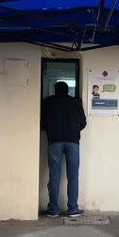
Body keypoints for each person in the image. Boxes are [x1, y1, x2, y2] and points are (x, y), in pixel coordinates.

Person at [41, 81, 87, 218]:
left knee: (54, 175)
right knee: (73, 176)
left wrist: (51, 129)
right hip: (73, 142)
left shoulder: (48, 102)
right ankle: (72, 209)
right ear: (67, 91)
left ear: (55, 90)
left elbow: (42, 122)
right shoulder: (75, 102)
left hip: (54, 141)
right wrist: (73, 130)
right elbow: (83, 122)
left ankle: (53, 210)